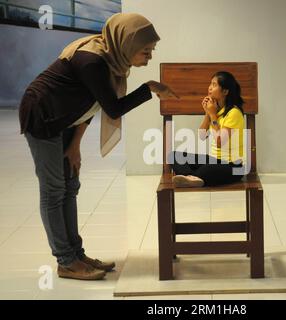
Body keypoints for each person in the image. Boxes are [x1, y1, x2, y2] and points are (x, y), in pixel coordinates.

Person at [18, 13, 178, 280]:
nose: (149, 57)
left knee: (71, 185)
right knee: (54, 189)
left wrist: (75, 145)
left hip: (67, 116)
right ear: (125, 43)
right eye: (145, 51)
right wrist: (149, 88)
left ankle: (76, 254)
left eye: (151, 51)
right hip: (43, 115)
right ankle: (66, 261)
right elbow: (112, 108)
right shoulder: (93, 61)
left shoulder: (111, 61)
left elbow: (90, 104)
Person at [170, 71, 245, 187]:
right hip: (215, 160)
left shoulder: (233, 113)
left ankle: (192, 177)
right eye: (210, 84)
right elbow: (202, 136)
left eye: (214, 85)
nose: (209, 88)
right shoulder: (215, 110)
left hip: (233, 166)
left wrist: (212, 115)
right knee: (174, 156)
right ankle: (192, 178)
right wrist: (207, 113)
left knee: (208, 168)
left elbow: (221, 143)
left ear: (225, 91)